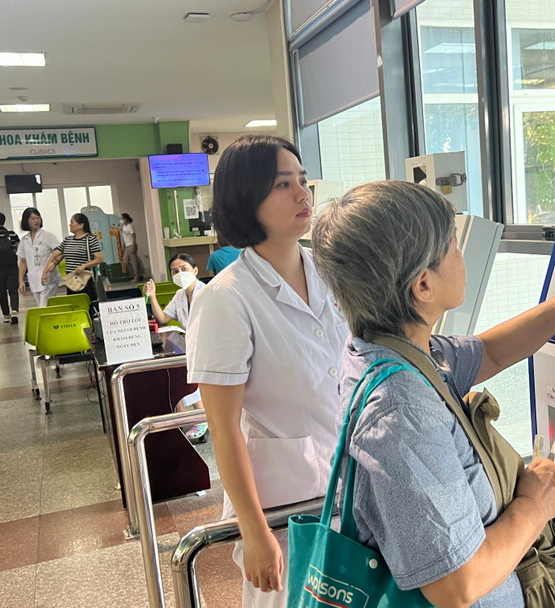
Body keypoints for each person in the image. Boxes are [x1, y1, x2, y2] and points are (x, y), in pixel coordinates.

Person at [311, 181, 555, 608]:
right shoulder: (400, 411)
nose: (461, 256)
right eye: (452, 247)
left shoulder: (388, 349)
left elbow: (494, 351)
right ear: (423, 286)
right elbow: (457, 585)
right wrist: (536, 503)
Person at [184, 134, 349, 608]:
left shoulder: (333, 272)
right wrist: (254, 531)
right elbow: (222, 429)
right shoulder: (226, 298)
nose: (302, 194)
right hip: (282, 508)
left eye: (303, 180)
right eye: (282, 184)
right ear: (246, 198)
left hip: (351, 488)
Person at [144, 253, 207, 439]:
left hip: (207, 346)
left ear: (195, 270)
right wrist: (152, 296)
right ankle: (182, 413)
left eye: (184, 269)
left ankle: (200, 417)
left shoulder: (206, 293)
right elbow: (163, 318)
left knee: (182, 374)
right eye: (175, 271)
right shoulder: (180, 295)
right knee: (172, 368)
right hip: (192, 344)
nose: (180, 274)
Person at [41, 213, 103, 302]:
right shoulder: (68, 240)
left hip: (84, 277)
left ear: (81, 225)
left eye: (72, 222)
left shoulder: (90, 239)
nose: (70, 225)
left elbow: (99, 258)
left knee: (87, 302)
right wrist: (46, 271)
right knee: (73, 303)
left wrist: (84, 266)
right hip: (70, 278)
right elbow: (55, 255)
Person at [17, 207, 62, 307]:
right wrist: (21, 280)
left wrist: (53, 264)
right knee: (41, 306)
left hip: (48, 278)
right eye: (32, 219)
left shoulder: (47, 235)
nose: (36, 221)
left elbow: (60, 252)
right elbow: (23, 262)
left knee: (44, 306)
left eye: (38, 218)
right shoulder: (24, 240)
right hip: (34, 279)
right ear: (26, 221)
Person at [120, 213, 143, 281]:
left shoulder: (130, 226)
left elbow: (133, 236)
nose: (121, 220)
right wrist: (123, 246)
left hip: (131, 245)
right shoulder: (124, 226)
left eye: (122, 218)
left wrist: (133, 244)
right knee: (125, 261)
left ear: (126, 219)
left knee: (133, 261)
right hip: (127, 246)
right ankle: (133, 274)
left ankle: (136, 276)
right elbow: (125, 237)